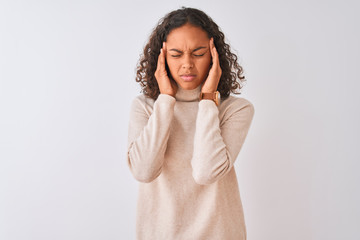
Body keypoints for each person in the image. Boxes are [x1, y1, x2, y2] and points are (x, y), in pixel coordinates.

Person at [126, 7, 255, 240]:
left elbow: (206, 172)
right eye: (176, 54)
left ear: (214, 55)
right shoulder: (145, 107)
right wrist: (165, 100)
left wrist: (208, 100)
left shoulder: (235, 109)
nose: (187, 64)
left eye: (198, 53)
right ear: (162, 57)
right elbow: (144, 172)